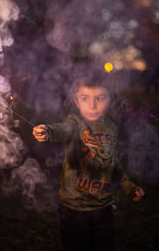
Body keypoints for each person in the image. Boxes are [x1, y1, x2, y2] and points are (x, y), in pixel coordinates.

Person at [33, 70, 144, 251]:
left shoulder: (111, 128)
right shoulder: (75, 123)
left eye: (100, 98)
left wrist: (128, 186)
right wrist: (47, 131)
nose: (92, 105)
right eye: (85, 98)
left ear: (110, 100)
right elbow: (62, 130)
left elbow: (111, 164)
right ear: (77, 102)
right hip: (73, 209)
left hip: (104, 208)